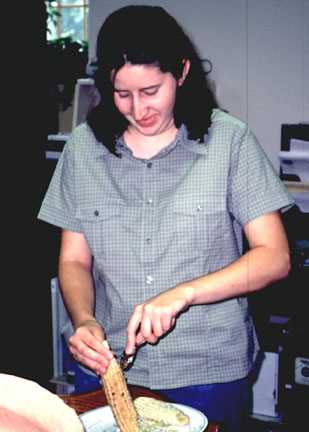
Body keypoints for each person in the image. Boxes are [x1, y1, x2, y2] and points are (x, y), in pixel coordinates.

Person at [38, 5, 294, 431]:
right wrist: (84, 319)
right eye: (123, 94)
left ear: (182, 72)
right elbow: (73, 260)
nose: (139, 110)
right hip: (108, 367)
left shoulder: (230, 142)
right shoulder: (83, 149)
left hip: (209, 372)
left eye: (152, 90)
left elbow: (275, 257)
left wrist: (184, 293)